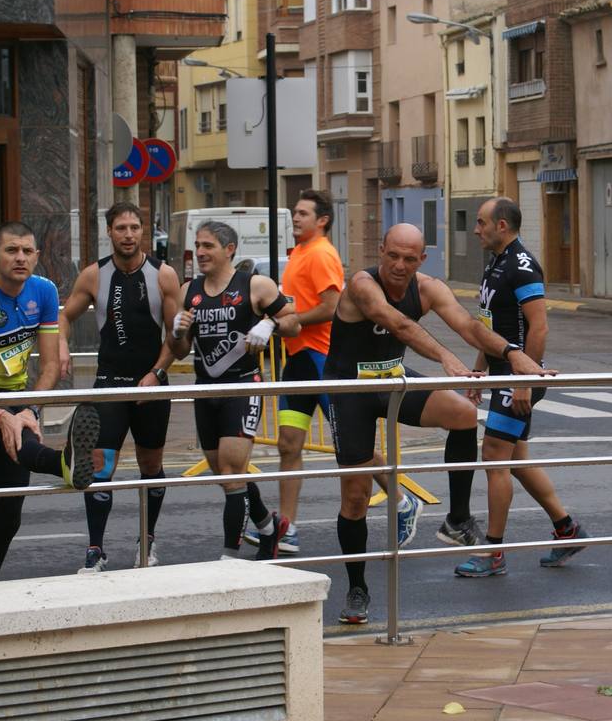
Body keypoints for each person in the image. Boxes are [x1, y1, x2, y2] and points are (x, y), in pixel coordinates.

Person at [324, 223, 554, 624]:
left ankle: (458, 519)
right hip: (350, 389)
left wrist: (513, 354)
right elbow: (400, 325)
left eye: (409, 259)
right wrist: (447, 358)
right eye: (392, 255)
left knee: (464, 413)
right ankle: (357, 587)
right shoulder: (363, 284)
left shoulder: (427, 287)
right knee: (356, 498)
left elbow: (468, 326)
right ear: (381, 250)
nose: (399, 265)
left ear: (421, 260)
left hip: (393, 377)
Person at [249, 189, 424, 554]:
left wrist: (287, 320)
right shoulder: (298, 253)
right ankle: (289, 527)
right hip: (298, 360)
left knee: (352, 448)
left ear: (322, 220)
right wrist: (277, 321)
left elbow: (330, 307)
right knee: (288, 444)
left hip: (325, 360)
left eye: (302, 213)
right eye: (294, 213)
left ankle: (403, 499)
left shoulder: (322, 254)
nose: (295, 219)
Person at [0, 222, 101, 583]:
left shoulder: (44, 291)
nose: (20, 258)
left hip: (20, 400)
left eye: (27, 251)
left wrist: (30, 410)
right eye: (11, 250)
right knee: (20, 439)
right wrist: (3, 417)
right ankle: (63, 464)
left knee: (6, 520)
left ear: (36, 256)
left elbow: (50, 366)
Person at [456, 197, 591, 578]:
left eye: (481, 222)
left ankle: (493, 552)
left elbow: (539, 327)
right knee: (515, 461)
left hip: (519, 379)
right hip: (502, 374)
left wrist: (523, 382)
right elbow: (487, 325)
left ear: (502, 225)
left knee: (495, 458)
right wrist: (478, 370)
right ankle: (567, 529)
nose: (476, 229)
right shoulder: (496, 262)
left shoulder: (523, 266)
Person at [58, 201, 181, 573]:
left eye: (134, 228)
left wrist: (157, 373)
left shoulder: (164, 275)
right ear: (109, 232)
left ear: (143, 231)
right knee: (99, 466)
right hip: (109, 383)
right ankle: (95, 550)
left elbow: (176, 338)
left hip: (151, 385)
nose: (128, 235)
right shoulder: (94, 275)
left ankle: (147, 542)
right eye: (121, 228)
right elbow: (64, 316)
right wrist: (61, 345)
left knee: (150, 465)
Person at [167, 221, 298, 560]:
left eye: (208, 246)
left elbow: (294, 323)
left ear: (229, 250)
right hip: (205, 390)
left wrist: (270, 323)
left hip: (243, 386)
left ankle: (230, 555)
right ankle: (268, 526)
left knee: (231, 469)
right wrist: (178, 332)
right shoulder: (189, 291)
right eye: (197, 245)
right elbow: (180, 352)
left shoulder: (255, 285)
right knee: (223, 471)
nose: (200, 253)